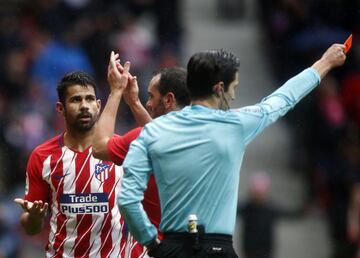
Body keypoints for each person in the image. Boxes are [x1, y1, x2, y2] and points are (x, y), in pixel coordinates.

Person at [117, 43, 347, 258]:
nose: (234, 95)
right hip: (219, 249)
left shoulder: (152, 131)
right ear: (219, 88)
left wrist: (152, 243)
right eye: (233, 87)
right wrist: (325, 62)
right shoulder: (236, 125)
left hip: (171, 247)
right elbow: (284, 98)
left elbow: (127, 199)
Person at [13, 70, 143, 257]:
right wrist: (34, 216)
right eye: (75, 100)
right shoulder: (43, 156)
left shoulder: (122, 150)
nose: (84, 106)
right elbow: (31, 228)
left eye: (90, 99)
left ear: (98, 106)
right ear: (60, 108)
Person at [92, 51, 190, 256]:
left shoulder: (143, 138)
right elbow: (158, 136)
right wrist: (134, 103)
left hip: (155, 248)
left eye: (152, 96)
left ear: (169, 99)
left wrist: (116, 92)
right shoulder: (204, 135)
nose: (148, 103)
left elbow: (100, 147)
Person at [238, 172, 305, 258]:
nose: (258, 196)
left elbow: (291, 214)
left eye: (260, 193)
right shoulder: (245, 208)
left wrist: (303, 210)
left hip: (265, 250)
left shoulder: (270, 209)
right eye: (256, 193)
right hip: (249, 250)